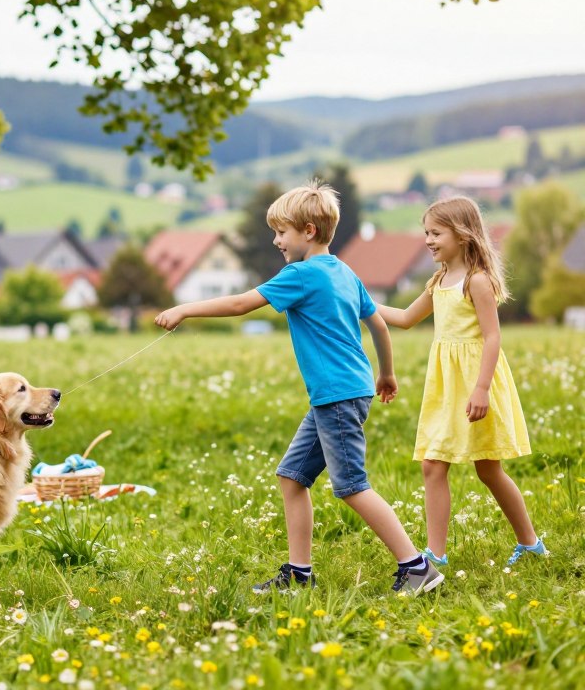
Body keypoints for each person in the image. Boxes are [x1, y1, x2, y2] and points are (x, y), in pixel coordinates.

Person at [154, 184, 443, 595]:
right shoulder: (344, 271)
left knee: (352, 486)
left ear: (308, 231)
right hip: (346, 391)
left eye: (282, 233)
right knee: (292, 478)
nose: (276, 241)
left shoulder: (301, 275)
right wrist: (386, 374)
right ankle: (299, 575)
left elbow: (240, 305)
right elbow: (377, 323)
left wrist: (184, 308)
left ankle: (416, 566)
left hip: (338, 396)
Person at [376, 196, 545, 569]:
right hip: (446, 385)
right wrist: (359, 303)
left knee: (488, 469)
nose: (428, 240)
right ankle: (436, 554)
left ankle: (530, 542)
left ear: (463, 234)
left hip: (475, 382)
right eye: (426, 233)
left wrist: (482, 387)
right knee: (433, 465)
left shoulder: (477, 281)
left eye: (436, 232)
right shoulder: (438, 280)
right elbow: (404, 317)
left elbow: (493, 337)